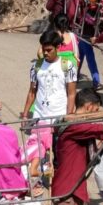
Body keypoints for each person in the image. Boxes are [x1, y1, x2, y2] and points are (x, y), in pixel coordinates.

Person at [23, 29, 77, 182]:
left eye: (49, 50)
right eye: (43, 49)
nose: (45, 53)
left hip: (59, 118)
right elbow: (32, 92)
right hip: (40, 118)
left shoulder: (68, 66)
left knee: (58, 153)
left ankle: (59, 183)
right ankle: (40, 181)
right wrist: (26, 114)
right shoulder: (36, 67)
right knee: (38, 153)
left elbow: (71, 93)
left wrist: (69, 115)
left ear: (58, 47)